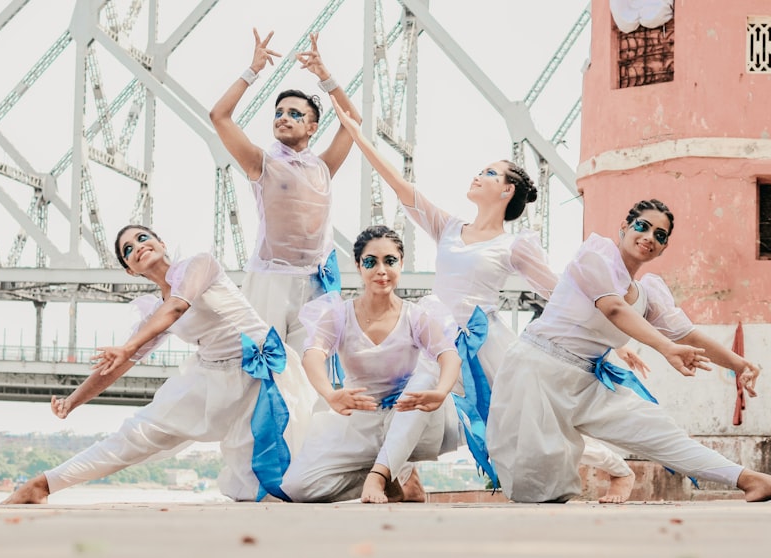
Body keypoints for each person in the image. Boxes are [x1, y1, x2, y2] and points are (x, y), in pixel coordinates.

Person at [330, 99, 643, 503]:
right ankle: (390, 477)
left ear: (507, 190)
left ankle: (619, 470)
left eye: (490, 173)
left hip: (484, 343)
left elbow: (566, 293)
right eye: (481, 170)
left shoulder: (514, 246)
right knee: (411, 391)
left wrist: (622, 340)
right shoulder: (447, 227)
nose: (479, 176)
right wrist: (357, 135)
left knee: (520, 421)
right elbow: (398, 184)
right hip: (435, 333)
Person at [486, 199, 771, 503]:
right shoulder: (595, 255)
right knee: (539, 488)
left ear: (664, 247)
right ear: (624, 226)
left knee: (660, 431)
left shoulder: (648, 293)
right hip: (538, 371)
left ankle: (751, 480)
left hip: (588, 381)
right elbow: (612, 308)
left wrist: (741, 365)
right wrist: (666, 348)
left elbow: (688, 334)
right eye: (642, 226)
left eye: (660, 235)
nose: (649, 237)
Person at [2, 225, 316, 504]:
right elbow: (119, 365)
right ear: (130, 269)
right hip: (213, 377)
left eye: (142, 238)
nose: (138, 246)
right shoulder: (154, 309)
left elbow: (179, 307)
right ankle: (42, 485)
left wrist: (127, 348)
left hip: (261, 373)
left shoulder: (199, 264)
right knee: (138, 433)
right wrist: (73, 401)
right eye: (128, 250)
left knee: (278, 485)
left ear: (161, 243)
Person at [281, 226, 462, 504]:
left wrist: (441, 391)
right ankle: (397, 475)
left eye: (390, 261)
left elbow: (448, 355)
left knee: (425, 378)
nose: (381, 270)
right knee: (299, 488)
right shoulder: (339, 315)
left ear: (401, 264)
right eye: (370, 262)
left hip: (408, 418)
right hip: (360, 422)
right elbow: (313, 354)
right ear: (358, 266)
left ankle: (378, 477)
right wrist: (330, 394)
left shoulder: (416, 316)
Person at [209, 29, 361, 355]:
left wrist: (325, 76)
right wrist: (252, 71)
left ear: (312, 127)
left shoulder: (323, 167)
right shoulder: (260, 163)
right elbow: (219, 116)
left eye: (295, 114)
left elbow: (353, 120)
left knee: (309, 371)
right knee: (262, 367)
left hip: (315, 283)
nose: (283, 118)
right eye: (278, 113)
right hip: (270, 281)